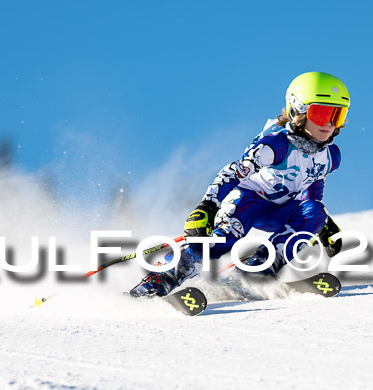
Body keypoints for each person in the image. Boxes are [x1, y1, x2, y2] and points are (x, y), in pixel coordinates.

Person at [130, 71, 349, 297]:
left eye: (338, 116)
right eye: (322, 114)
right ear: (298, 110)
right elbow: (233, 172)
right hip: (248, 200)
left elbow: (312, 182)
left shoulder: (331, 156)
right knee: (222, 241)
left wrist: (321, 223)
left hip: (280, 209)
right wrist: (208, 205)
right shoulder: (276, 145)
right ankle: (159, 279)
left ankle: (257, 269)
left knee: (316, 211)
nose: (330, 124)